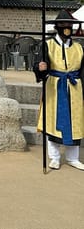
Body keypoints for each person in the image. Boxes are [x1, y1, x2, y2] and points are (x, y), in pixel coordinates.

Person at [34, 9, 84, 170]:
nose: (66, 27)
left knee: (75, 121)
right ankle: (54, 157)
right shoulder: (47, 45)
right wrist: (40, 68)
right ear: (57, 26)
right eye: (62, 24)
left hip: (75, 86)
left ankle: (72, 157)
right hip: (55, 86)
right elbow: (39, 65)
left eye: (69, 24)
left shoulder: (79, 47)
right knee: (53, 120)